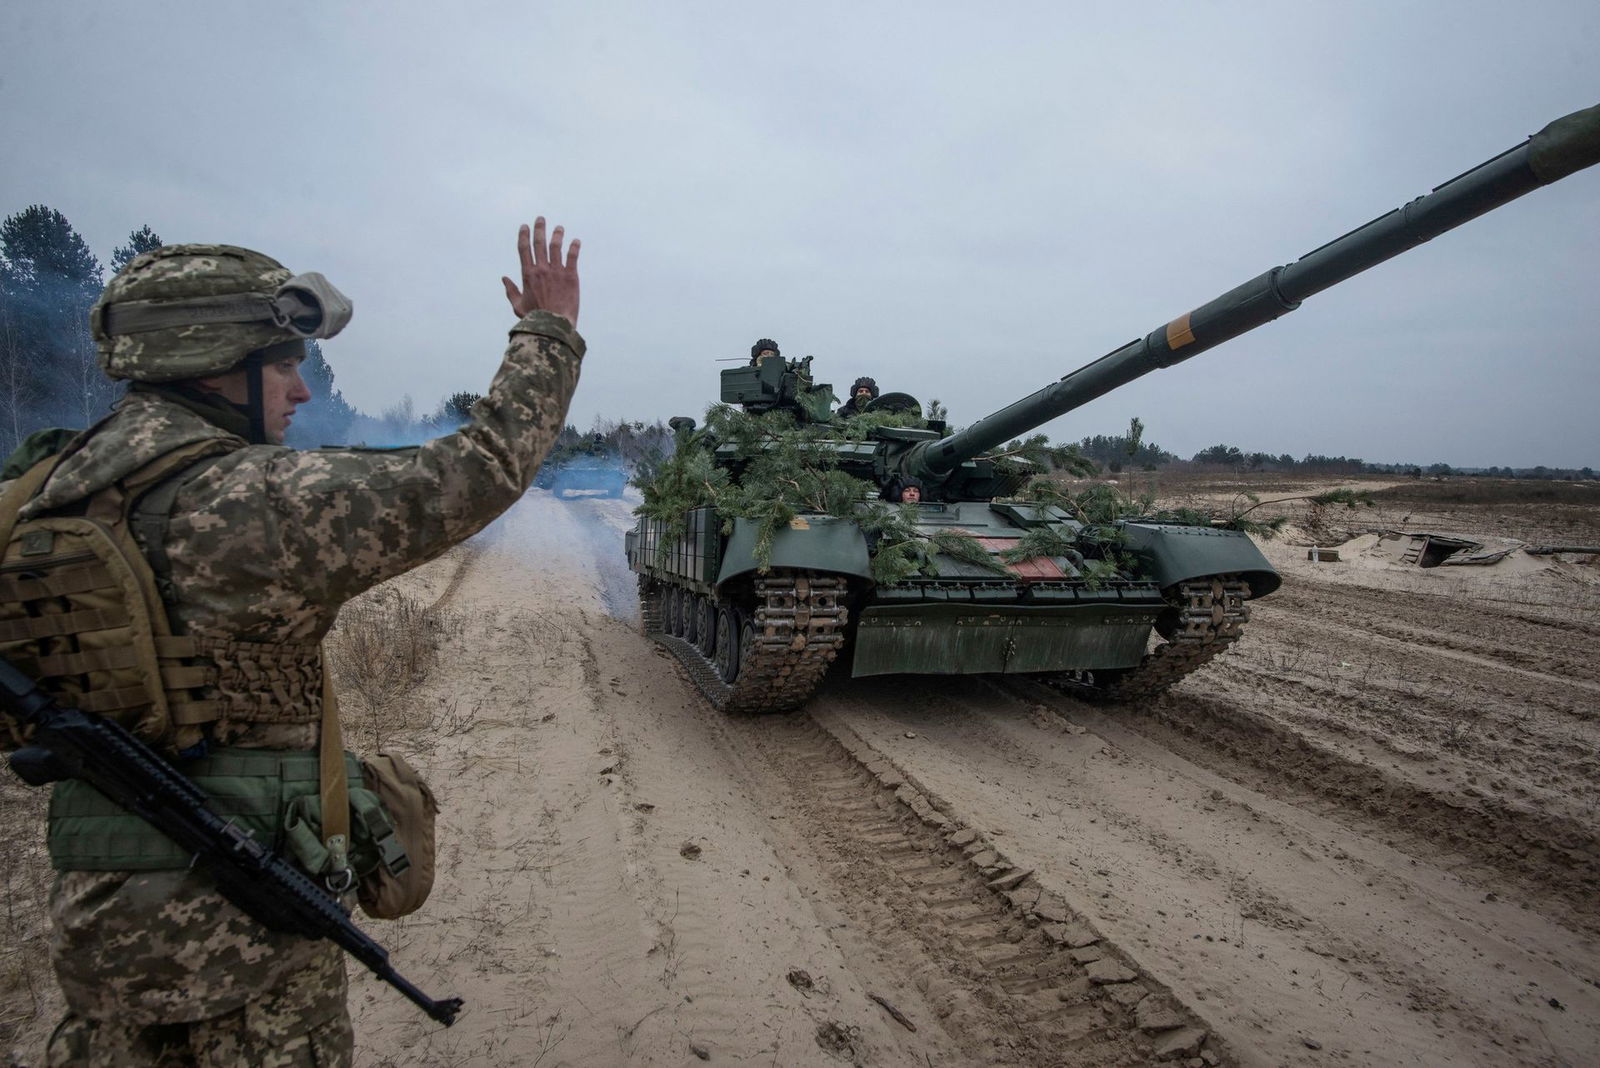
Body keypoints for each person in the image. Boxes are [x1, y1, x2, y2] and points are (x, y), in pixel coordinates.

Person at [8, 217, 583, 1065]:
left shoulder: (40, 495)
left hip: (102, 932)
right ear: (211, 364)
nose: (301, 392)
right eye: (282, 365)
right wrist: (550, 334)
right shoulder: (241, 501)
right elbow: (476, 470)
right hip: (241, 946)